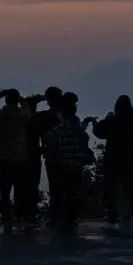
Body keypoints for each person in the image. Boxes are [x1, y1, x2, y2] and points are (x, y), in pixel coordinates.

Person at [92, 95, 133, 231]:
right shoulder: (132, 125)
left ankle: (113, 220)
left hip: (112, 161)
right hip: (128, 161)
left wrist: (106, 119)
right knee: (132, 192)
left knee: (111, 191)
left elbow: (98, 132)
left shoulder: (111, 123)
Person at [44, 94, 93, 232]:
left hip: (60, 167)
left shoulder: (56, 131)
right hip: (76, 166)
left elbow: (51, 144)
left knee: (57, 195)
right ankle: (71, 220)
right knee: (72, 194)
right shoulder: (79, 130)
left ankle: (56, 219)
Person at [0, 89, 33, 230]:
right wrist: (22, 100)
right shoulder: (22, 115)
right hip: (19, 158)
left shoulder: (1, 115)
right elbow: (28, 111)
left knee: (5, 192)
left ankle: (7, 218)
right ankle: (20, 217)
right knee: (20, 190)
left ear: (5, 100)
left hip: (4, 158)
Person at [25, 87, 64, 224]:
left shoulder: (45, 117)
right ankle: (64, 216)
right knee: (66, 187)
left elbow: (30, 125)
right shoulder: (67, 114)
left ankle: (55, 216)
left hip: (52, 156)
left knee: (55, 187)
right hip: (67, 155)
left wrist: (32, 103)